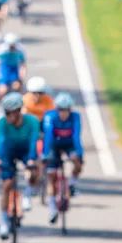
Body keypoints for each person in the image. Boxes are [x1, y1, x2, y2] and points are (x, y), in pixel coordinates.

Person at [0, 93, 40, 239]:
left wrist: (31, 160)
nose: (7, 116)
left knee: (35, 171)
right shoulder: (3, 122)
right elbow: (1, 141)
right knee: (6, 185)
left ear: (18, 111)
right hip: (9, 152)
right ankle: (3, 222)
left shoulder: (32, 121)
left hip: (26, 151)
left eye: (10, 113)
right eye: (6, 112)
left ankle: (27, 194)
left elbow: (33, 141)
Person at [42, 92, 84, 224]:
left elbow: (76, 136)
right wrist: (45, 154)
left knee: (77, 163)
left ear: (70, 109)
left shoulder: (75, 117)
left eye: (66, 110)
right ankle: (52, 209)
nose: (63, 113)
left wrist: (79, 154)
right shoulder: (50, 116)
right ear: (57, 109)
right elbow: (48, 136)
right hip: (54, 146)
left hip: (69, 144)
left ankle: (71, 184)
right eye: (60, 110)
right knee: (51, 176)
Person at [21, 76, 54, 210]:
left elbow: (51, 119)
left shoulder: (48, 101)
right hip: (30, 127)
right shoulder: (25, 101)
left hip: (43, 127)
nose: (37, 96)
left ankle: (43, 163)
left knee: (45, 152)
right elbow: (23, 120)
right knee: (31, 159)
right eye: (34, 93)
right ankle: (28, 191)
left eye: (40, 93)